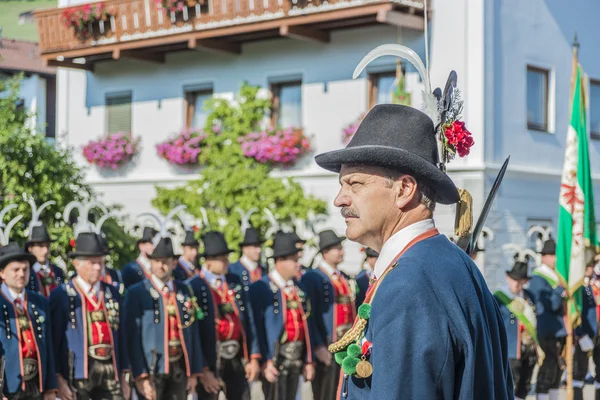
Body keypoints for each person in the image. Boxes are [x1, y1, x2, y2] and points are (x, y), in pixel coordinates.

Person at [314, 103, 512, 398]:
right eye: (341, 184)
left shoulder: (409, 283)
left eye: (354, 183)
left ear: (404, 189)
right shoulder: (448, 261)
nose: (340, 199)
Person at [49, 232, 129, 400]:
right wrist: (58, 378)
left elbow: (122, 335)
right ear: (77, 264)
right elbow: (53, 341)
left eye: (100, 262)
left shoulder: (112, 292)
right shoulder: (62, 294)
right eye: (92, 263)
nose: (98, 268)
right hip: (78, 372)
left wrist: (124, 374)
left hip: (109, 369)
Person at [124, 236, 203, 400]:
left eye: (165, 261)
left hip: (179, 366)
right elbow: (131, 337)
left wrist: (193, 372)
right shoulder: (137, 292)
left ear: (174, 263)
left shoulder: (184, 290)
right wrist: (140, 375)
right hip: (153, 368)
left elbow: (193, 333)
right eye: (157, 261)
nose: (161, 266)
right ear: (150, 263)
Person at [188, 231, 260, 400]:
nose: (227, 262)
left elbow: (248, 320)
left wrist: (253, 357)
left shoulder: (234, 281)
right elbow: (193, 335)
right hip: (211, 358)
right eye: (222, 258)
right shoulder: (194, 286)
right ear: (209, 261)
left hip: (235, 357)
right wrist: (203, 370)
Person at [249, 232, 316, 400]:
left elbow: (307, 325)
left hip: (296, 358)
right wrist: (265, 360)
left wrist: (309, 360)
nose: (297, 264)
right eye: (293, 259)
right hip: (275, 360)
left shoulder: (299, 288)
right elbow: (257, 329)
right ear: (280, 261)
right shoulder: (261, 288)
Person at [0, 242, 57, 400]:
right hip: (9, 388)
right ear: (2, 273)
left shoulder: (39, 302)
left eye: (25, 269)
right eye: (15, 269)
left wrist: (51, 387)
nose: (21, 274)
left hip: (37, 386)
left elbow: (49, 345)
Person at [302, 229, 354, 400]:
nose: (342, 251)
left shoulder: (343, 276)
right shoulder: (312, 277)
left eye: (341, 247)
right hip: (326, 344)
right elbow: (310, 316)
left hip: (345, 343)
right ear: (325, 252)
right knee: (325, 392)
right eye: (337, 248)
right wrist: (317, 346)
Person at [494, 256, 538, 400]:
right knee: (511, 385)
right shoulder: (499, 298)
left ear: (525, 281)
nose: (516, 284)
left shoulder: (529, 296)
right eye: (514, 279)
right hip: (511, 349)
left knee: (525, 385)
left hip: (529, 348)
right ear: (508, 278)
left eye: (520, 281)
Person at [528, 238, 566, 400]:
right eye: (550, 255)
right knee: (547, 371)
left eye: (554, 254)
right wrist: (559, 290)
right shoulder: (539, 278)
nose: (554, 258)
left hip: (559, 330)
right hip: (547, 330)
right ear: (543, 257)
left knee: (557, 372)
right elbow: (549, 305)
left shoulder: (556, 276)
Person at [572, 263, 597, 400]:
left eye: (592, 265)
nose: (591, 268)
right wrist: (579, 334)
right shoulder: (577, 286)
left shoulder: (594, 284)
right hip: (583, 334)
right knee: (579, 372)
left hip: (596, 334)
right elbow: (574, 311)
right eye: (587, 265)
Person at [25, 222, 65, 297]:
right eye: (40, 246)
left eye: (48, 246)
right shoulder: (27, 272)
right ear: (30, 248)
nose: (45, 250)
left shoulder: (57, 271)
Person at [228, 226, 266, 292]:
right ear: (245, 249)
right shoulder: (232, 269)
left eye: (259, 246)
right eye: (255, 246)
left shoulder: (263, 270)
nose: (259, 250)